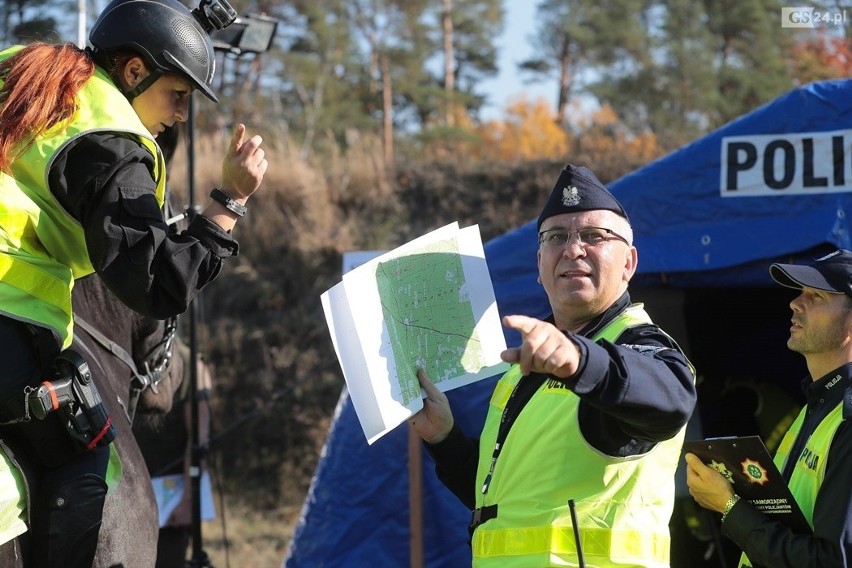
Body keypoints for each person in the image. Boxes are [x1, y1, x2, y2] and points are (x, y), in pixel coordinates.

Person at [0, 0, 267, 565]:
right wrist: (228, 203)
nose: (182, 115)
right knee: (86, 451)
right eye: (178, 95)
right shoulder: (109, 137)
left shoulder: (22, 75)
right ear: (134, 71)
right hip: (8, 306)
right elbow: (155, 282)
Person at [410, 164, 697, 567]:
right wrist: (444, 438)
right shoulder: (525, 365)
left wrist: (580, 361)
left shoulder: (638, 343)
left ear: (629, 263)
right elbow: (501, 496)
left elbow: (671, 398)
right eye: (557, 237)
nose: (573, 249)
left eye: (594, 236)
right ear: (539, 265)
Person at [685, 249, 852, 566]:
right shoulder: (817, 406)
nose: (795, 303)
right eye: (801, 293)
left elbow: (830, 561)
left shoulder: (846, 417)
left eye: (816, 296)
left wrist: (729, 506)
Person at [134, 337, 214, 568]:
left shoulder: (192, 365)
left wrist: (188, 500)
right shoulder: (125, 352)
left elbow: (199, 440)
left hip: (171, 504)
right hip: (130, 493)